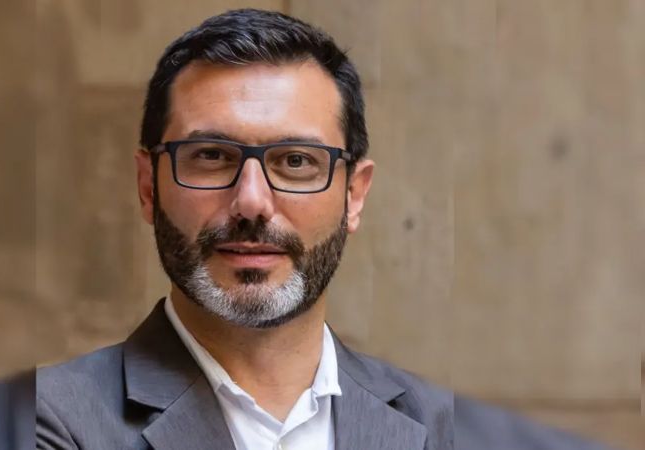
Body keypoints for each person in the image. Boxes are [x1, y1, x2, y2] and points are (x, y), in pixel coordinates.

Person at [36, 9, 613, 450]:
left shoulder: (446, 428)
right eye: (211, 156)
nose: (252, 202)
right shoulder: (48, 420)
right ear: (148, 185)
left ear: (354, 195)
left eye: (296, 162)